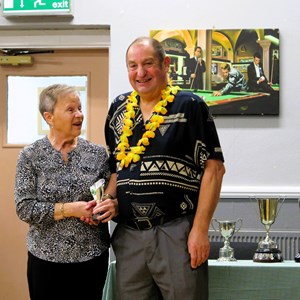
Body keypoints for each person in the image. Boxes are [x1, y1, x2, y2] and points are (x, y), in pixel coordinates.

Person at [95, 37, 225, 300]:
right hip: (129, 237)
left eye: (148, 64)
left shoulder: (190, 105)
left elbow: (214, 169)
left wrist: (199, 230)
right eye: (133, 66)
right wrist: (110, 199)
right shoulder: (119, 108)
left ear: (166, 64)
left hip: (176, 232)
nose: (140, 73)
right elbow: (116, 168)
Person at [14, 84, 117, 300]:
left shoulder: (97, 154)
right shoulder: (30, 155)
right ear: (49, 117)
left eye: (80, 108)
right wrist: (71, 209)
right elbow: (24, 208)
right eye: (71, 110)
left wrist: (105, 209)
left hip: (91, 259)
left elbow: (111, 196)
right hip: (45, 261)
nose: (79, 114)